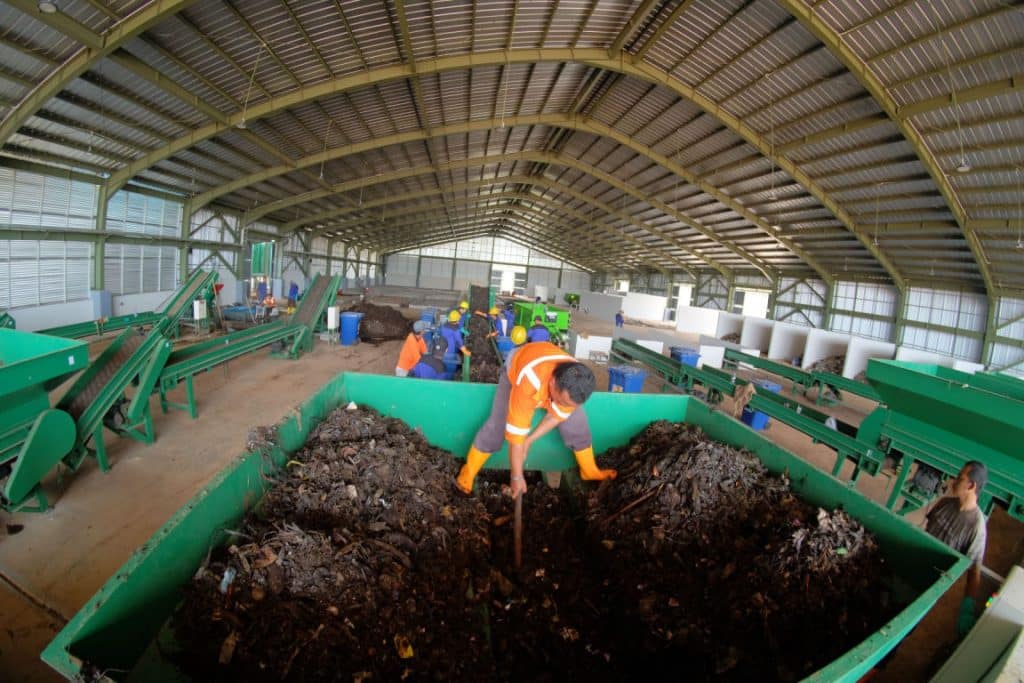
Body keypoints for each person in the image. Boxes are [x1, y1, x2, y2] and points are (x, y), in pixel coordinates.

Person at [455, 341, 616, 497]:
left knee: (577, 424)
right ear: (552, 384)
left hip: (546, 358)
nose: (562, 406)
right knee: (497, 425)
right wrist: (516, 477)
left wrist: (530, 440)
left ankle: (589, 471)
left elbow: (555, 416)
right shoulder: (528, 382)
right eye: (561, 402)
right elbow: (516, 439)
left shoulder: (577, 383)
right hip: (519, 364)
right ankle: (467, 474)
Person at [925, 461, 988, 637]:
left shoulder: (976, 527)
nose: (954, 480)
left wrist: (967, 607)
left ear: (971, 485)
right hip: (913, 562)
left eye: (960, 478)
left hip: (929, 585)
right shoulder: (945, 503)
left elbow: (974, 571)